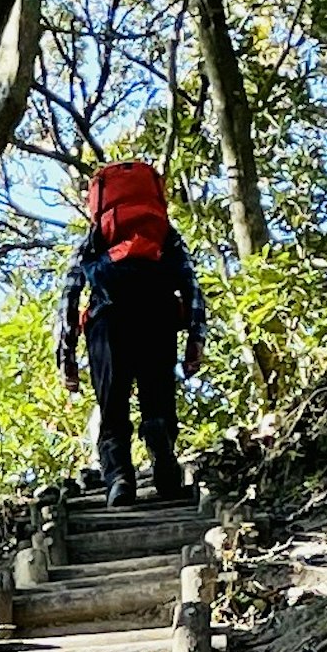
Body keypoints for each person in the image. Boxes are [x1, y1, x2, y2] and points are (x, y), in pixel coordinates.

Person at [57, 152, 209, 504]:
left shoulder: (95, 237)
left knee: (112, 406)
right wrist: (195, 340)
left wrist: (66, 357)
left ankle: (120, 480)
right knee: (157, 396)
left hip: (107, 320)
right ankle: (161, 448)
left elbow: (70, 295)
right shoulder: (165, 235)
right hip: (158, 315)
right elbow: (191, 285)